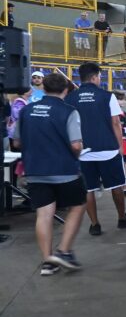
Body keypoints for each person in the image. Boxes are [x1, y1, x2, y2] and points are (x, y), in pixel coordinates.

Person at [10, 72, 87, 276]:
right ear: (65, 90)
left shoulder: (27, 111)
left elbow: (16, 142)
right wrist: (77, 151)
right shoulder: (69, 111)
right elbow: (76, 145)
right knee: (78, 206)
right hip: (65, 171)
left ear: (43, 88)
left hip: (35, 170)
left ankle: (47, 262)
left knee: (44, 214)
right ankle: (63, 251)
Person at [66, 62, 126, 236]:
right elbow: (116, 122)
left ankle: (95, 224)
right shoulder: (106, 96)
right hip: (108, 150)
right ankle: (122, 218)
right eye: (100, 76)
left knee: (89, 190)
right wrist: (119, 146)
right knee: (117, 185)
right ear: (95, 77)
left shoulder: (71, 98)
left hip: (83, 152)